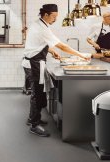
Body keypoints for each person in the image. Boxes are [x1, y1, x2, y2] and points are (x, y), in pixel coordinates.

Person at [24, 4, 90, 137]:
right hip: (34, 64)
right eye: (53, 17)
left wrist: (51, 50)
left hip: (33, 63)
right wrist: (81, 55)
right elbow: (62, 45)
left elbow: (40, 42)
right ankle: (34, 125)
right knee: (37, 94)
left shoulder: (40, 24)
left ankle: (32, 118)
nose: (55, 19)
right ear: (46, 14)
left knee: (36, 94)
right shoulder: (41, 27)